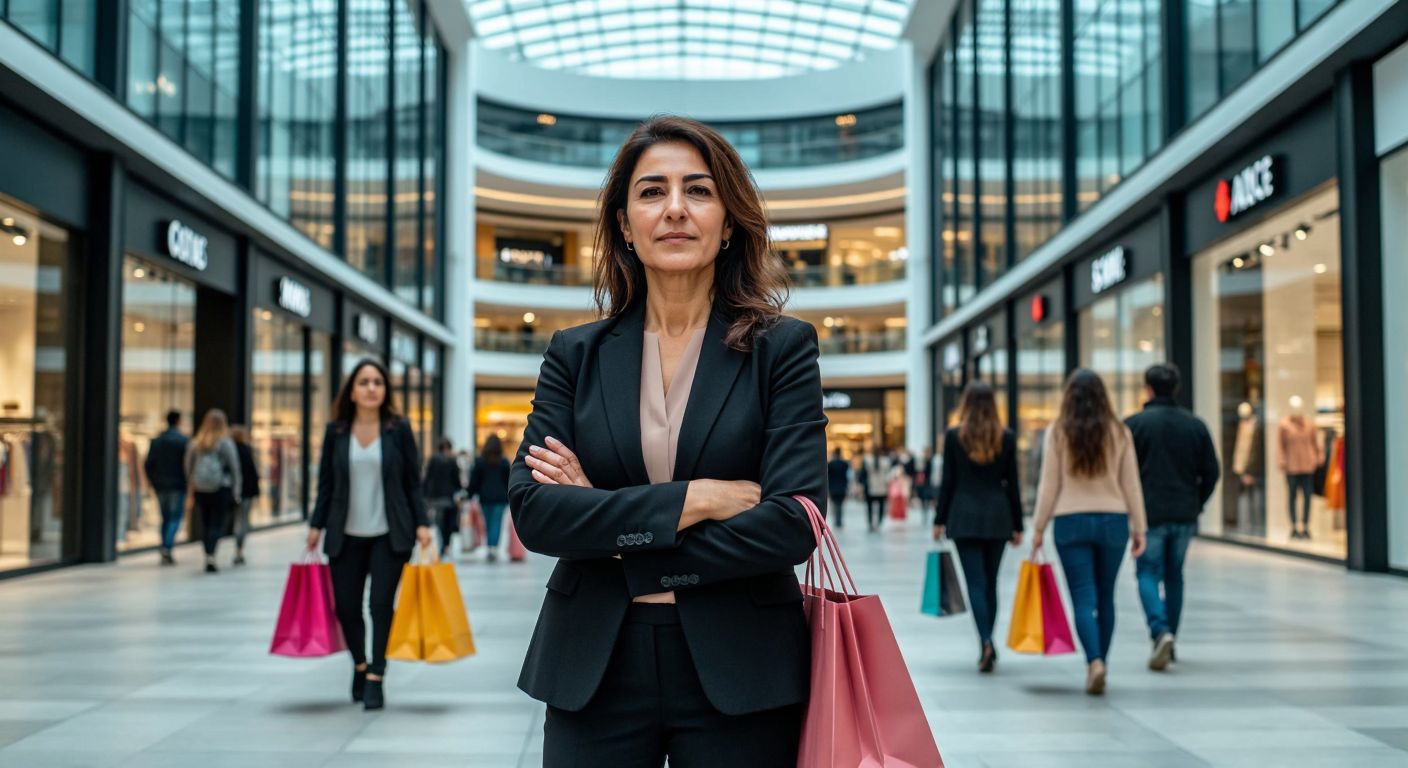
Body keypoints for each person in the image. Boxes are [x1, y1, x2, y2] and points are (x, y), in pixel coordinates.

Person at [507, 116, 825, 767]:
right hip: (593, 666)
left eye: (698, 191)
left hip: (743, 668)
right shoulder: (576, 355)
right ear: (624, 224)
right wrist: (698, 497)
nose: (675, 209)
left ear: (728, 219)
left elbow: (794, 522)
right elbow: (537, 512)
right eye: (652, 191)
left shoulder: (782, 350)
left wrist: (616, 532)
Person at [306, 359, 433, 711]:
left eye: (378, 381)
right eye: (364, 382)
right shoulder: (336, 431)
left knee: (380, 605)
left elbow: (412, 482)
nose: (371, 388)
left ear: (385, 389)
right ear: (352, 389)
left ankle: (377, 674)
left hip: (390, 534)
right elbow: (326, 485)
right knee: (346, 608)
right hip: (344, 535)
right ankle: (359, 665)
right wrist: (315, 526)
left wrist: (422, 523)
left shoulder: (398, 429)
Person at [1030, 369, 1147, 695]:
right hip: (1113, 520)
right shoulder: (1119, 432)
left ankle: (1093, 661)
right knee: (1105, 596)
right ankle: (1102, 663)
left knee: (1083, 597)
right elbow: (1131, 485)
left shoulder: (1058, 432)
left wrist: (1038, 527)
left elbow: (1048, 486)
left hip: (1070, 522)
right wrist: (1140, 527)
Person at [1125, 363, 1219, 670]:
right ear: (1175, 388)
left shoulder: (1134, 426)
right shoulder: (1194, 425)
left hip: (1148, 514)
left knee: (1147, 573)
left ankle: (1159, 630)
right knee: (1174, 576)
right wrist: (1197, 503)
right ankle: (1170, 639)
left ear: (1148, 388)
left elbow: (1122, 475)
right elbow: (1212, 472)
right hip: (1183, 514)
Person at [932, 382, 1023, 673]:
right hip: (998, 516)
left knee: (975, 583)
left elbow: (948, 482)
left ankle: (984, 640)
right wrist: (1019, 524)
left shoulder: (954, 436)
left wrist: (939, 519)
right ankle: (989, 638)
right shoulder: (1006, 437)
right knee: (991, 582)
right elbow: (1013, 485)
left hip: (964, 515)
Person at [183, 409, 241, 574]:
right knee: (217, 522)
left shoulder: (196, 443)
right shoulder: (225, 443)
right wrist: (236, 490)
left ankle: (208, 553)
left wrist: (192, 484)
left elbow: (188, 467)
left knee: (206, 522)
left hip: (201, 489)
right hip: (221, 488)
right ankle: (212, 555)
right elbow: (235, 468)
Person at [143, 409, 188, 565]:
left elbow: (148, 464)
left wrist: (154, 481)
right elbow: (188, 466)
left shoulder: (157, 441)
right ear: (178, 421)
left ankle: (165, 546)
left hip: (161, 485)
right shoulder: (183, 441)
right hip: (177, 485)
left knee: (166, 518)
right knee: (175, 518)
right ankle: (167, 547)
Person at [467, 435, 511, 562]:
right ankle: (493, 547)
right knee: (496, 523)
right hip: (501, 498)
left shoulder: (480, 462)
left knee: (487, 523)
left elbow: (474, 481)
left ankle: (490, 546)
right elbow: (508, 480)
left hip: (485, 497)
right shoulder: (503, 462)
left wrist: (470, 494)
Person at [423, 437, 466, 558]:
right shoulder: (452, 461)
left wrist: (424, 493)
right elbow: (456, 480)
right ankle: (446, 545)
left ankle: (442, 544)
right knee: (448, 523)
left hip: (435, 497)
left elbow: (427, 478)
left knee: (439, 523)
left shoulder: (433, 459)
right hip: (449, 497)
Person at [228, 425, 261, 566]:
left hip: (230, 491)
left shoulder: (228, 450)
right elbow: (253, 473)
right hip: (245, 491)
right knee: (242, 520)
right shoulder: (246, 450)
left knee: (237, 520)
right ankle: (238, 550)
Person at [859, 444, 888, 531]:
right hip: (882, 487)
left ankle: (871, 523)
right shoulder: (885, 461)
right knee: (881, 506)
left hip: (870, 487)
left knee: (869, 507)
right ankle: (879, 523)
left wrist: (862, 485)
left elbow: (862, 474)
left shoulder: (867, 460)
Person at [827, 447, 850, 526]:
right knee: (840, 504)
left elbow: (828, 477)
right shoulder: (845, 464)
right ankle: (839, 520)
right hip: (842, 487)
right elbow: (847, 476)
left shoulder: (830, 464)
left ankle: (836, 520)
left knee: (834, 504)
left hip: (833, 487)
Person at [916, 445, 937, 521]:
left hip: (930, 482)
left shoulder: (932, 461)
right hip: (923, 482)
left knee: (930, 498)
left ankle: (929, 512)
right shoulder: (923, 461)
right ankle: (924, 513)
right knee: (923, 499)